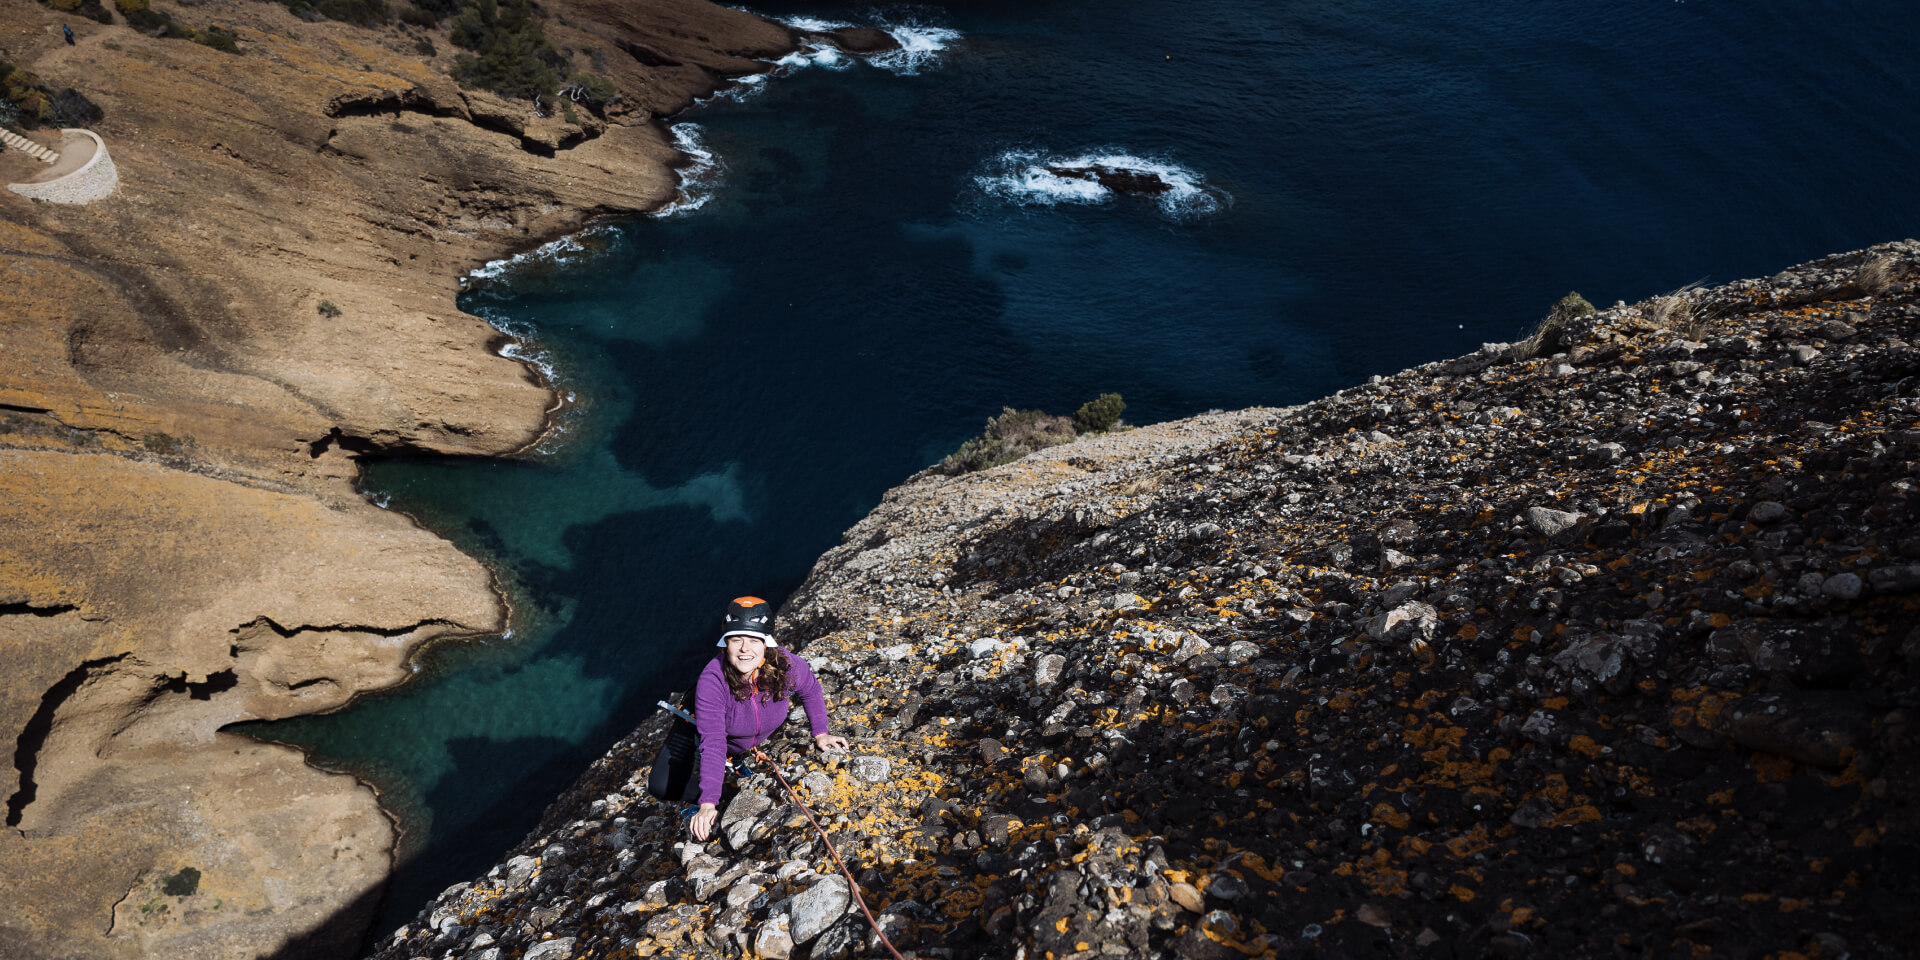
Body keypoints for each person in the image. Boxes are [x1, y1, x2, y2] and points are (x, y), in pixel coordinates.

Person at [673, 596, 847, 841]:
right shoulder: (713, 680)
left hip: (739, 740)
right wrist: (708, 804)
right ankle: (711, 781)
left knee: (728, 752)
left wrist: (821, 732)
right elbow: (713, 742)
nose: (745, 649)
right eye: (736, 639)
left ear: (766, 643)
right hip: (696, 729)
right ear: (726, 644)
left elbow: (810, 688)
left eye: (754, 639)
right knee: (663, 785)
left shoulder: (786, 665)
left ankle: (735, 759)